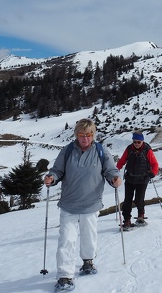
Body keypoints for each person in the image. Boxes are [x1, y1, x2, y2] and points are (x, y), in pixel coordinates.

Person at [44, 118, 122, 292]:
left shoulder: (101, 151)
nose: (85, 138)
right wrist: (51, 177)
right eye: (82, 135)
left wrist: (115, 179)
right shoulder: (68, 151)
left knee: (89, 236)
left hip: (91, 203)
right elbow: (57, 170)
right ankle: (65, 275)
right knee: (67, 240)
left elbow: (110, 170)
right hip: (69, 204)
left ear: (93, 135)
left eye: (89, 134)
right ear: (76, 135)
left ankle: (88, 261)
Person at [116, 131, 159, 228]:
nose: (136, 144)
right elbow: (122, 161)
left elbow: (155, 164)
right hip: (130, 178)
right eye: (135, 142)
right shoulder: (129, 149)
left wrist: (153, 173)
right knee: (127, 201)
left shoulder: (147, 150)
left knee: (139, 199)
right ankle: (127, 220)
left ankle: (141, 216)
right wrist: (115, 171)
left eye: (139, 142)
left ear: (142, 141)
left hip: (142, 179)